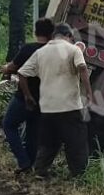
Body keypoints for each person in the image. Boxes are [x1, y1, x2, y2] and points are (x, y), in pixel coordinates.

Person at [18, 23, 93, 178]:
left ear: (53, 35)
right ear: (69, 36)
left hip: (48, 107)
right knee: (76, 143)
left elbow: (22, 73)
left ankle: (40, 171)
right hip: (69, 107)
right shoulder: (73, 49)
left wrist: (28, 96)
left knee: (49, 142)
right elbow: (83, 68)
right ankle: (79, 176)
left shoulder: (41, 52)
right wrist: (89, 93)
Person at [0, 18, 54, 173]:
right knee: (33, 132)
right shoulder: (54, 53)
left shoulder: (28, 49)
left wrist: (3, 68)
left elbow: (12, 67)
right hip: (44, 99)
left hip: (24, 97)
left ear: (35, 32)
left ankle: (23, 161)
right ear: (51, 34)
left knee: (9, 125)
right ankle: (29, 164)